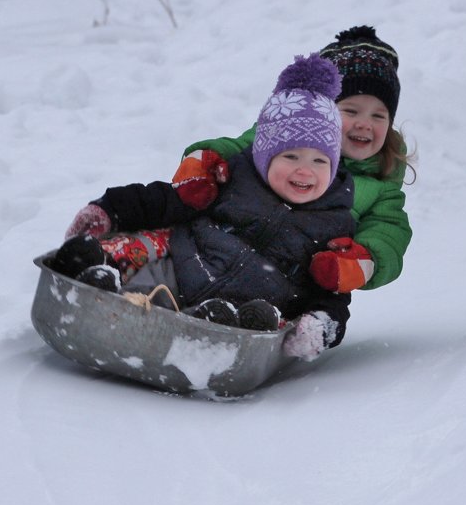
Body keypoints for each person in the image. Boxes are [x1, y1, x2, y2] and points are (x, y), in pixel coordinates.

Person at [51, 53, 355, 360]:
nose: (305, 170)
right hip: (183, 269)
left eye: (320, 161)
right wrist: (110, 209)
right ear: (264, 156)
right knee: (145, 257)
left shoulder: (334, 222)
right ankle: (99, 286)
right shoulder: (231, 177)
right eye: (291, 157)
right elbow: (167, 199)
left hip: (247, 312)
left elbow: (333, 294)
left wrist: (321, 325)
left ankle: (213, 330)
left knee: (260, 321)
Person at [171, 25, 414, 294]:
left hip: (287, 283)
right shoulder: (286, 131)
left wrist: (363, 259)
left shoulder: (381, 187)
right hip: (217, 246)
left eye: (378, 116)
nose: (365, 124)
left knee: (326, 305)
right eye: (352, 111)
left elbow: (388, 232)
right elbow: (239, 146)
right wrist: (206, 159)